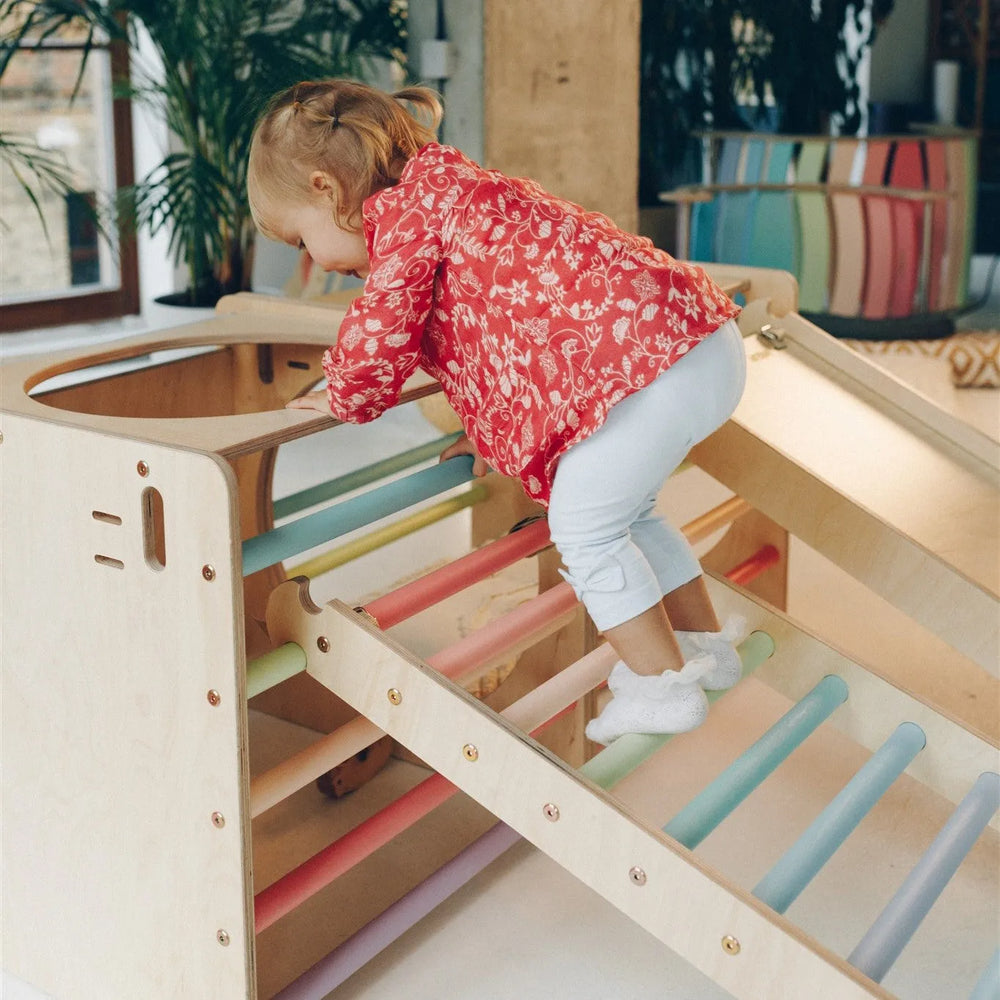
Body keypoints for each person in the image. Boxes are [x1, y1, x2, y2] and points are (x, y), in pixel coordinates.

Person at [247, 79, 747, 745]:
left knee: (587, 531)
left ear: (326, 190)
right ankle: (703, 646)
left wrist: (339, 392)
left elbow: (378, 341)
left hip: (653, 364)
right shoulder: (452, 189)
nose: (314, 263)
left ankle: (660, 688)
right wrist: (491, 430)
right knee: (632, 514)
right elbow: (492, 335)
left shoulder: (403, 227)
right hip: (698, 342)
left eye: (302, 242)